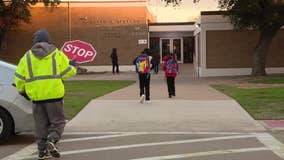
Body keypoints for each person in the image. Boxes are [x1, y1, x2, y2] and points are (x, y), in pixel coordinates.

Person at [14, 29, 77, 160]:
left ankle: (42, 152)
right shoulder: (57, 54)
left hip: (36, 98)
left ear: (35, 41)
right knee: (58, 122)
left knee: (40, 125)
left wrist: (22, 90)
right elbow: (67, 72)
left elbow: (19, 78)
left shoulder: (27, 57)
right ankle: (52, 140)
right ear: (49, 40)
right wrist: (72, 66)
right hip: (54, 96)